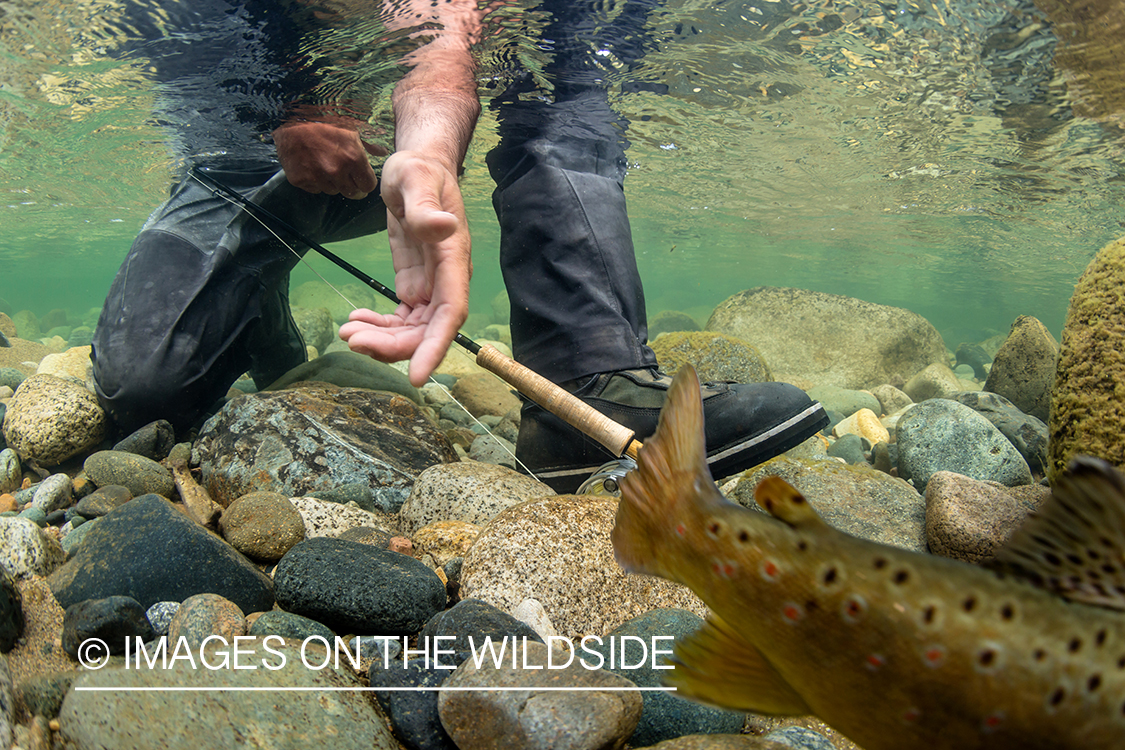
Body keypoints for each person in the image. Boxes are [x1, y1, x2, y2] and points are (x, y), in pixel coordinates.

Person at [92, 0, 827, 493]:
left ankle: (589, 379)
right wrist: (289, 113)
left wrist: (429, 153)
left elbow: (435, 27)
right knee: (145, 390)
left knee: (561, 104)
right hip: (240, 165)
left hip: (386, 170)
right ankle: (256, 293)